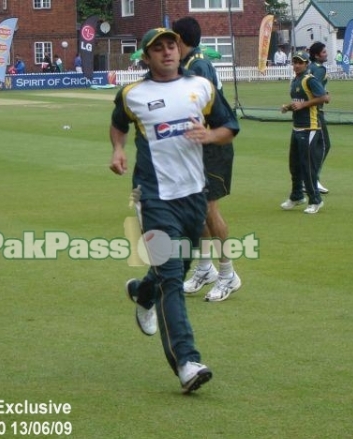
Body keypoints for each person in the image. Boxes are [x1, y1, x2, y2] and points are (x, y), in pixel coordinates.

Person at [109, 28, 239, 393]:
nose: (167, 52)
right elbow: (118, 125)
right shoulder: (133, 94)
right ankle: (187, 362)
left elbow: (230, 125)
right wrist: (118, 150)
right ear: (146, 57)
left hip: (195, 195)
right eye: (158, 48)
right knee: (172, 279)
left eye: (171, 45)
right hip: (155, 198)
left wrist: (210, 136)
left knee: (176, 269)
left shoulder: (202, 87)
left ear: (179, 49)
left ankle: (142, 292)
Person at [172, 16, 241, 302]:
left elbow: (202, 107)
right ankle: (205, 268)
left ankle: (228, 275)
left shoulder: (198, 66)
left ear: (179, 38)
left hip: (213, 145)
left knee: (209, 211)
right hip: (198, 147)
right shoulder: (189, 64)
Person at [280, 51, 329, 214]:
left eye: (300, 62)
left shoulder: (310, 79)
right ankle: (296, 196)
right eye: (294, 62)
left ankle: (315, 200)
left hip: (310, 128)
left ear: (306, 64)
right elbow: (298, 102)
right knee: (294, 165)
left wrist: (303, 105)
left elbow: (324, 97)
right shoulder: (295, 81)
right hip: (297, 127)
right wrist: (288, 107)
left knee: (307, 166)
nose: (296, 65)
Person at [309, 41, 331, 195]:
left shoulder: (308, 67)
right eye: (323, 52)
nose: (326, 54)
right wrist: (325, 95)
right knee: (324, 145)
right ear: (317, 55)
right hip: (316, 111)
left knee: (313, 147)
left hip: (309, 111)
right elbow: (315, 87)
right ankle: (312, 179)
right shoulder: (319, 69)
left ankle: (309, 179)